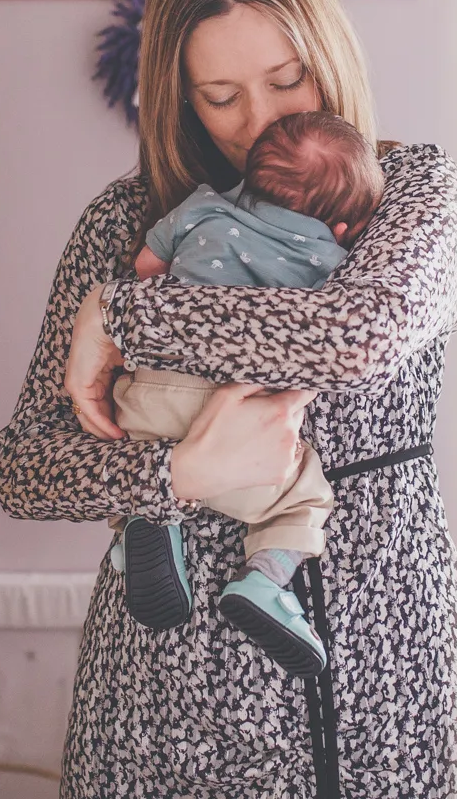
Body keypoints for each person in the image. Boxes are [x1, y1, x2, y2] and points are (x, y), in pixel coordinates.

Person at [0, 0, 457, 798]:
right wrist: (175, 475)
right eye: (221, 96)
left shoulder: (414, 192)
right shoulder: (125, 220)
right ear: (181, 97)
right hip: (171, 689)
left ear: (328, 54)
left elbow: (353, 334)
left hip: (388, 661)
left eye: (287, 80)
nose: (262, 120)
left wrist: (124, 314)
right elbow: (25, 470)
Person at [103, 110, 385, 679]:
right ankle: (265, 582)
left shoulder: (203, 206)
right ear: (340, 227)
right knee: (304, 498)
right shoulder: (328, 263)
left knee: (141, 461)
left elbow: (144, 268)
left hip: (149, 396)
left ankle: (146, 521)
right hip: (238, 420)